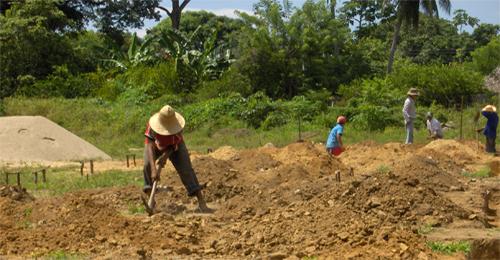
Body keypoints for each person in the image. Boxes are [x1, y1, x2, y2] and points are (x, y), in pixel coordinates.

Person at [143, 105, 212, 212]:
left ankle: (201, 202)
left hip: (175, 147)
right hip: (156, 146)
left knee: (186, 170)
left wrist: (164, 157)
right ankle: (151, 201)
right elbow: (149, 145)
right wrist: (153, 169)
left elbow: (173, 147)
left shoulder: (177, 128)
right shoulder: (152, 126)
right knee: (147, 165)